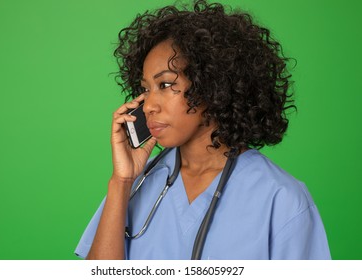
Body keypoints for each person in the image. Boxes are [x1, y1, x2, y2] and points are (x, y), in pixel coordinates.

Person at [75, 0, 331, 259]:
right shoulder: (137, 181)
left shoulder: (281, 198)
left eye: (165, 85)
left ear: (212, 84)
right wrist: (121, 182)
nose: (149, 105)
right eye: (145, 89)